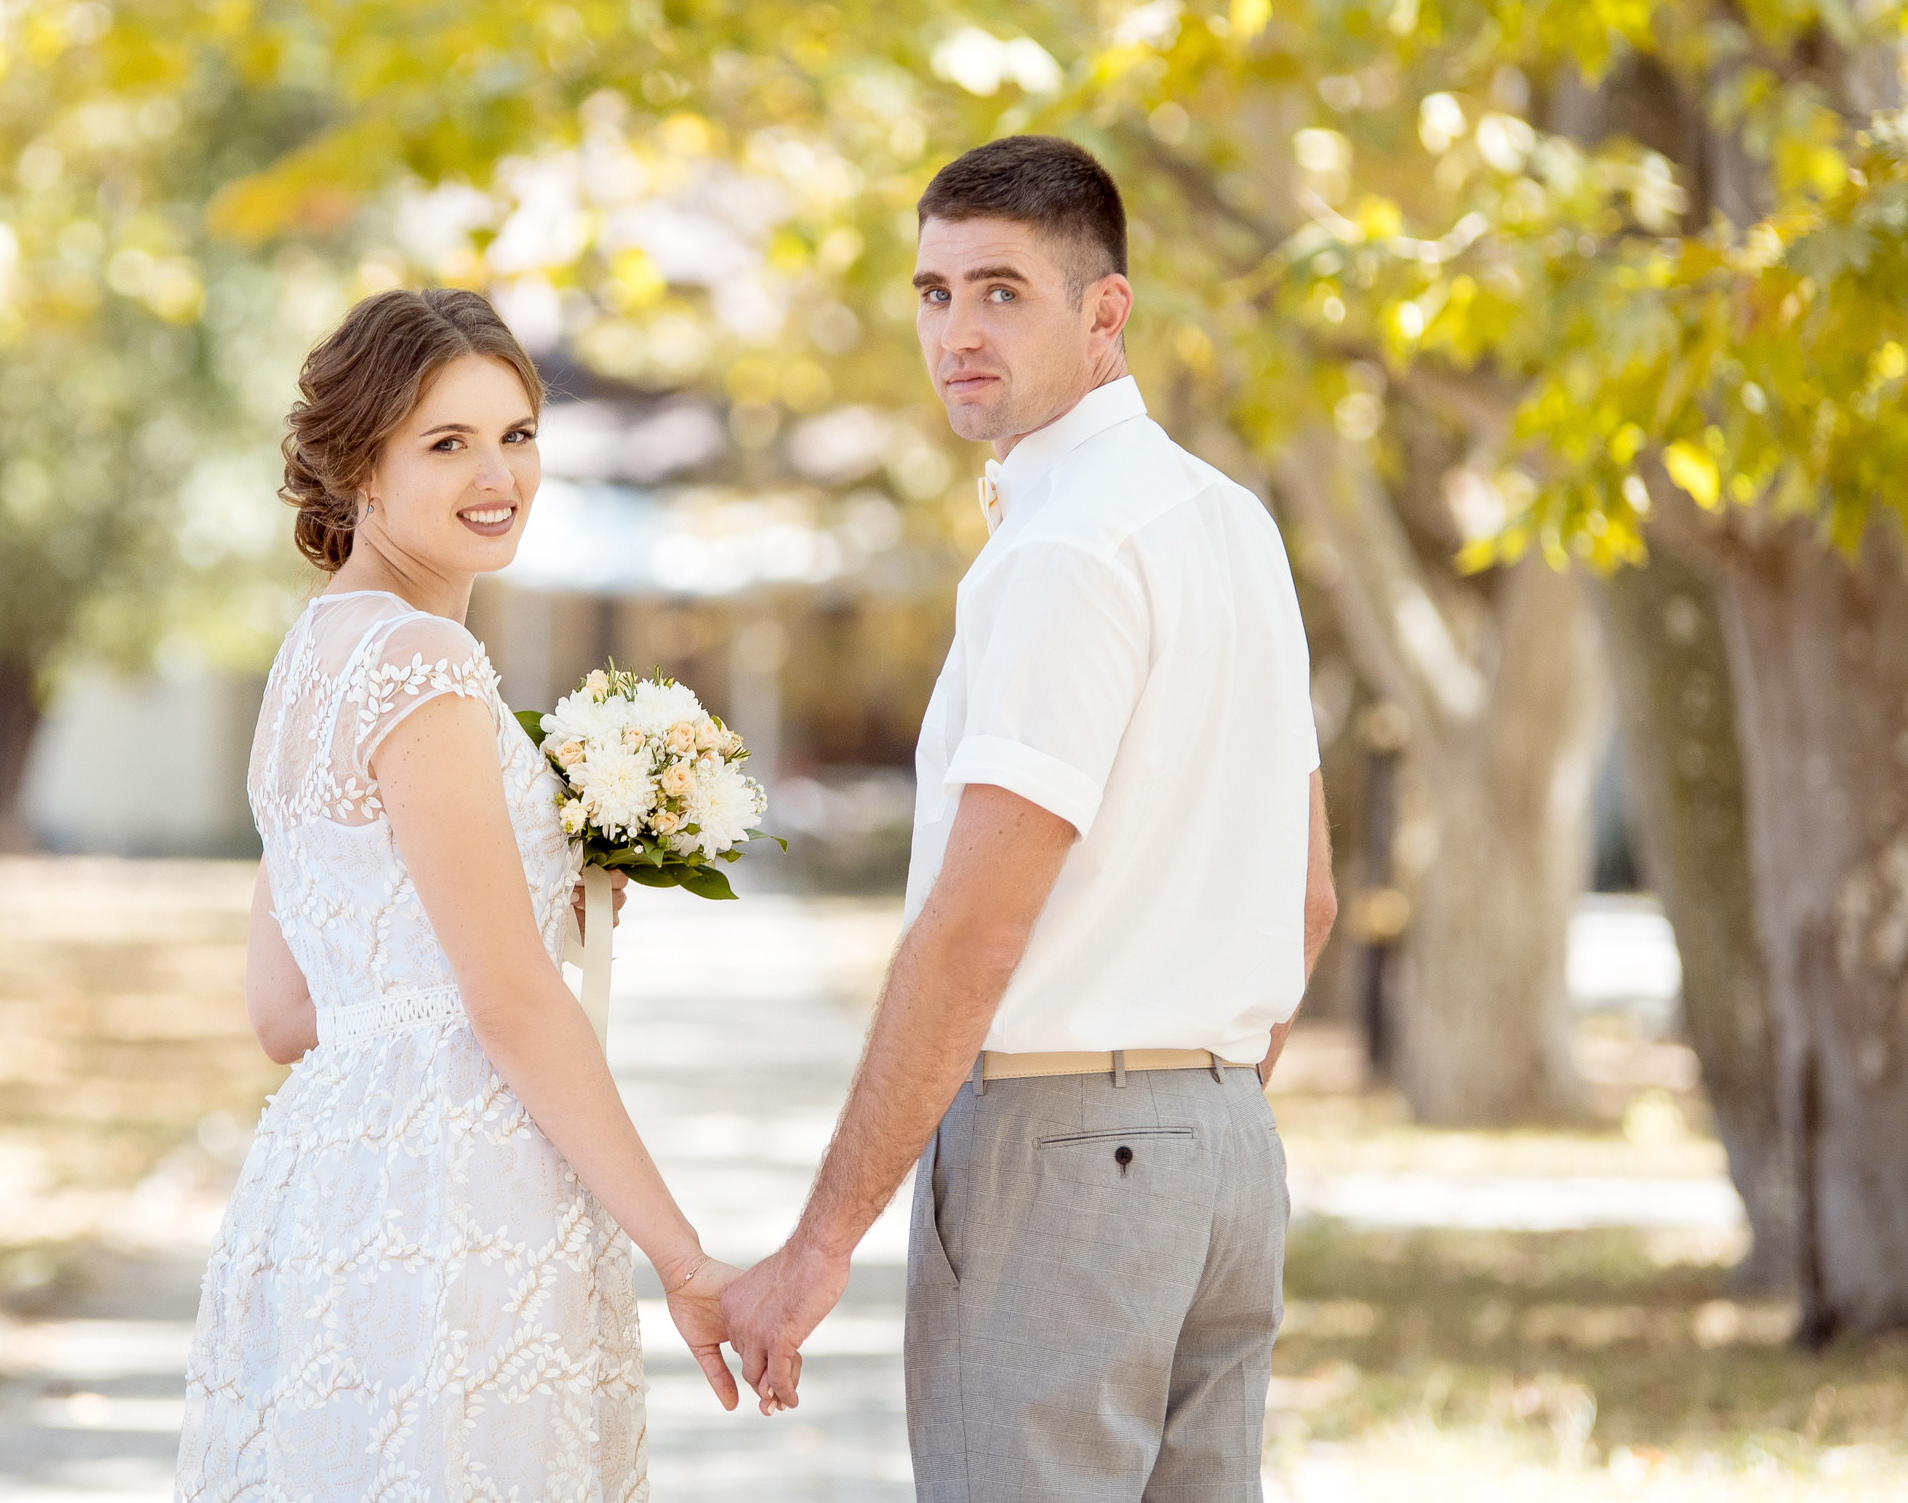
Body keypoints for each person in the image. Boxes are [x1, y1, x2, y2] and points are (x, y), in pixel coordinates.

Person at [722, 136, 1340, 1501]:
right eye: (934, 292)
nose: (957, 330)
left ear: (1104, 312)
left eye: (1002, 290)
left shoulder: (1065, 551)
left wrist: (820, 1244)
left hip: (1065, 1156)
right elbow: (1309, 899)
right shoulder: (1234, 526)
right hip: (1227, 1149)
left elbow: (974, 928)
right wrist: (1187, 1109)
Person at [173, 288, 742, 1503]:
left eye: (518, 434)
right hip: (460, 1198)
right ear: (356, 468)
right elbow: (511, 1001)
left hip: (325, 1192)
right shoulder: (422, 662)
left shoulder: (310, 662)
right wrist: (684, 1260)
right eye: (447, 442)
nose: (499, 475)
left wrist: (548, 893)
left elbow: (284, 1011)